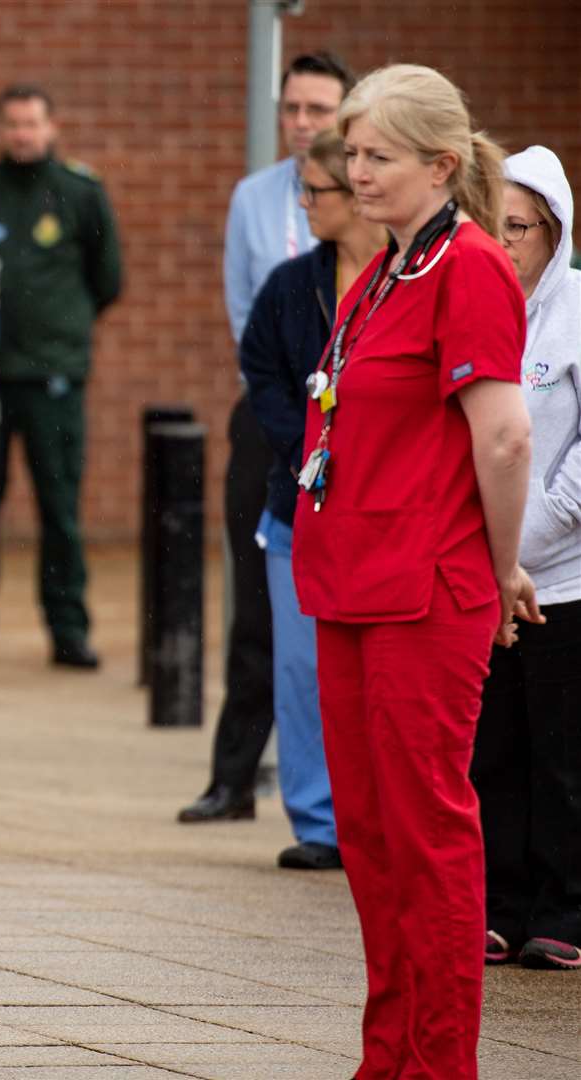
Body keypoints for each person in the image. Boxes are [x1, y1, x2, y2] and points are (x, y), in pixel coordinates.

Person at [294, 64, 537, 1077]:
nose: (356, 173)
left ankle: (441, 1062)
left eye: (377, 156)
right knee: (369, 835)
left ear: (442, 165)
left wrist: (504, 567)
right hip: (351, 582)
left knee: (426, 834)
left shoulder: (470, 265)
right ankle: (386, 1053)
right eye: (350, 155)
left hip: (423, 592)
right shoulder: (381, 271)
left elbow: (506, 437)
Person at [180, 51, 353, 825]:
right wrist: (294, 429)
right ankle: (235, 774)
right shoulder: (253, 197)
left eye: (318, 110)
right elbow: (245, 309)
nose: (302, 122)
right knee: (257, 597)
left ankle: (337, 792)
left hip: (354, 418)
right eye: (292, 108)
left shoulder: (375, 212)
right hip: (274, 415)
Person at [238, 130, 385, 871]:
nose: (304, 202)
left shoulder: (407, 279)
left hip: (386, 517)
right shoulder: (292, 286)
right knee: (300, 673)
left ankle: (378, 819)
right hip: (300, 508)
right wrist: (314, 451)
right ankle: (320, 825)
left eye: (317, 191)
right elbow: (261, 372)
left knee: (378, 677)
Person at [0, 82, 120, 672]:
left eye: (33, 123)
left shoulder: (79, 193)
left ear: (52, 128)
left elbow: (109, 280)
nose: (23, 134)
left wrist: (63, 333)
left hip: (55, 376)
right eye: (14, 124)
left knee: (60, 508)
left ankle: (68, 629)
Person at [473, 145, 581, 971]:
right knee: (491, 750)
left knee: (560, 754)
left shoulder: (577, 314)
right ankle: (499, 904)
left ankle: (564, 910)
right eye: (494, 225)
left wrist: (524, 535)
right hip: (480, 575)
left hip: (565, 580)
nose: (505, 243)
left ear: (554, 232)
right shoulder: (474, 309)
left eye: (520, 228)